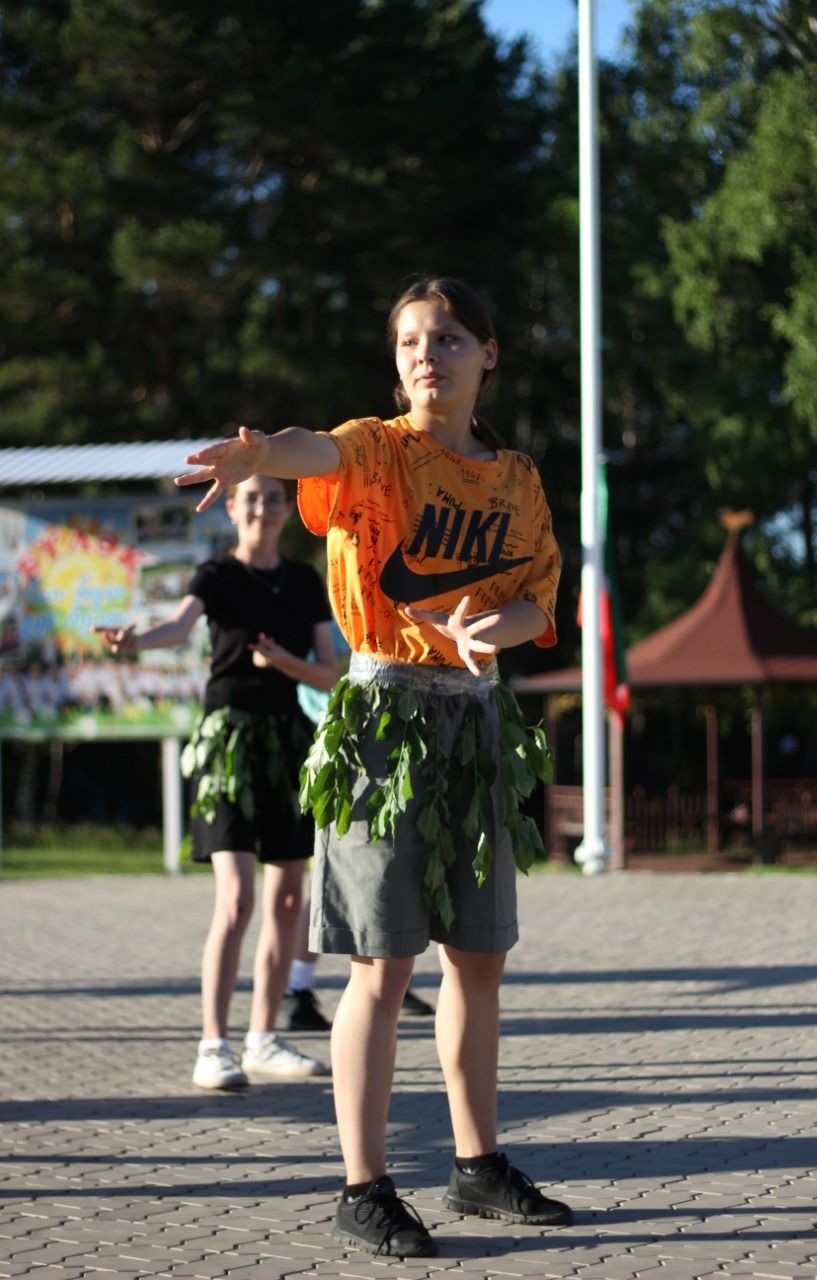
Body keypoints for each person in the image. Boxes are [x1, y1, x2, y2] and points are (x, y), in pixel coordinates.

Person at [175, 277, 570, 1256]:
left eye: (445, 338)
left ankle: (477, 1166)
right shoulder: (376, 450)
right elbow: (314, 446)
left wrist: (493, 627)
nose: (424, 355)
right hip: (381, 717)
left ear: (489, 354)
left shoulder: (516, 477)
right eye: (407, 342)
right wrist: (263, 451)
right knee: (382, 963)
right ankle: (364, 1183)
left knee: (478, 959)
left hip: (476, 722)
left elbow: (535, 599)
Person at [95, 475, 337, 1090]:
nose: (262, 506)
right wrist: (133, 642)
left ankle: (263, 1039)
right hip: (229, 743)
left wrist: (287, 666)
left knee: (288, 900)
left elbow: (329, 675)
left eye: (274, 497)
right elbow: (176, 629)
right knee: (237, 899)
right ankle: (213, 1044)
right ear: (232, 508)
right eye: (250, 498)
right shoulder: (215, 575)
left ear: (287, 509)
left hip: (288, 746)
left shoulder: (304, 582)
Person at [285, 620, 435, 1033]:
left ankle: (394, 974)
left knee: (401, 870)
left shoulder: (391, 610)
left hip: (396, 748)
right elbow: (319, 685)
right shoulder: (327, 619)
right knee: (329, 877)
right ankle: (297, 986)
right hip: (345, 755)